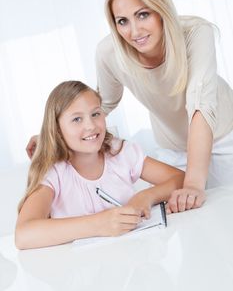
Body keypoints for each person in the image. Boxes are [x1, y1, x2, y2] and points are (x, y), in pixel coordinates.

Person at [26, 0, 233, 213]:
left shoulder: (197, 33)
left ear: (160, 9)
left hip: (223, 139)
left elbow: (201, 106)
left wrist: (194, 184)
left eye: (143, 14)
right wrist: (55, 134)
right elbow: (100, 106)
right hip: (173, 148)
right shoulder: (109, 53)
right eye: (122, 21)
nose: (134, 32)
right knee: (183, 225)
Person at [17, 80, 184, 249]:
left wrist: (145, 197)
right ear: (58, 130)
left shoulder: (120, 152)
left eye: (95, 114)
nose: (90, 126)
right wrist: (99, 224)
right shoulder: (54, 172)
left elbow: (179, 178)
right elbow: (23, 235)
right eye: (77, 119)